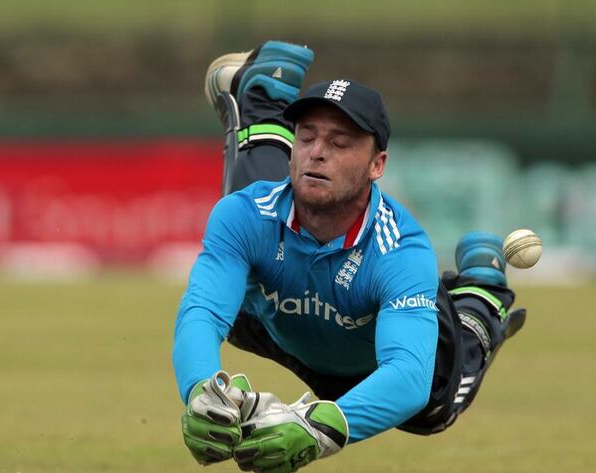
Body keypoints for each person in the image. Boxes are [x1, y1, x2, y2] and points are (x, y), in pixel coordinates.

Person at [173, 40, 526, 473]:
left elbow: (408, 378)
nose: (317, 152)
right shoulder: (246, 215)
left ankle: (482, 286)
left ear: (377, 165)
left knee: (435, 410)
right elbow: (202, 314)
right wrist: (200, 392)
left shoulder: (401, 249)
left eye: (340, 143)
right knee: (246, 240)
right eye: (305, 137)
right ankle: (265, 92)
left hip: (372, 361)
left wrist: (318, 427)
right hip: (277, 326)